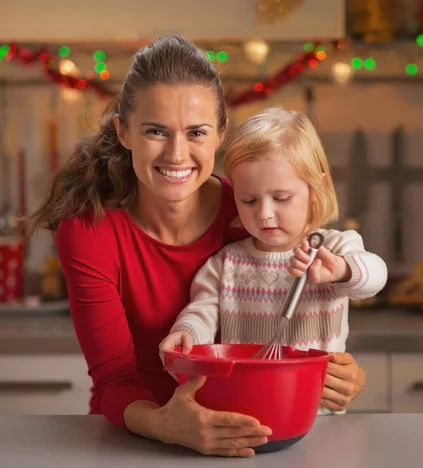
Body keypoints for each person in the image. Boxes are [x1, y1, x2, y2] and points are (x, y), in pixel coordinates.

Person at [27, 36, 366, 458]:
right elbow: (114, 378)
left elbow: (299, 317)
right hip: (133, 440)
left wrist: (340, 374)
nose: (177, 154)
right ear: (124, 131)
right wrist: (167, 426)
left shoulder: (247, 213)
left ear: (220, 135)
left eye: (197, 132)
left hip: (246, 433)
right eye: (155, 131)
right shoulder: (88, 230)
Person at [159, 108, 388, 416]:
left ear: (315, 189)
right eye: (249, 200)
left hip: (317, 414)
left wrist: (342, 270)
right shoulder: (227, 263)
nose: (264, 213)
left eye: (281, 198)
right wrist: (187, 332)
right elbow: (202, 312)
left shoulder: (335, 248)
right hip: (244, 410)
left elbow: (375, 276)